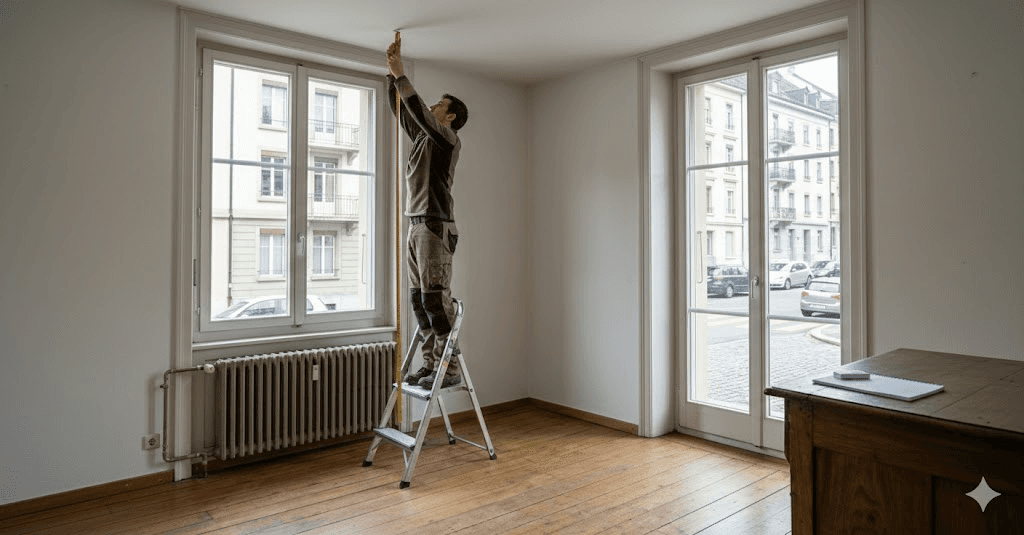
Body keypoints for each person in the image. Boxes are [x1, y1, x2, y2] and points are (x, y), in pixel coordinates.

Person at [386, 35, 469, 390]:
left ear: (449, 117)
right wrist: (392, 77)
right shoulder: (423, 139)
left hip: (435, 226)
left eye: (439, 104)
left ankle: (448, 370)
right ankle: (431, 363)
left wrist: (402, 74)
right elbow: (406, 111)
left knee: (435, 298)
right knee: (420, 301)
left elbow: (417, 109)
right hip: (416, 224)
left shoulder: (447, 138)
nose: (433, 106)